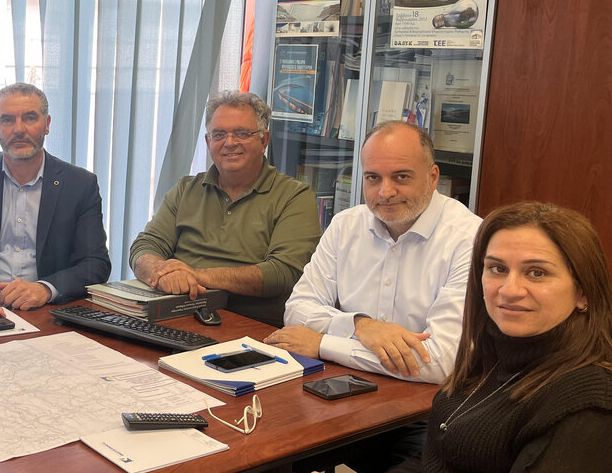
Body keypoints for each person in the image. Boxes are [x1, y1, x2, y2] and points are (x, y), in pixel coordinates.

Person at [265, 121, 481, 473]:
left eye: (401, 177)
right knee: (264, 448)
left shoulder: (469, 240)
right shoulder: (345, 225)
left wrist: (324, 343)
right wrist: (360, 326)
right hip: (345, 395)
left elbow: (440, 362)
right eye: (373, 178)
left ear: (432, 177)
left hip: (429, 413)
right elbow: (298, 310)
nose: (385, 192)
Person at [391, 202, 612, 472]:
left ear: (583, 292)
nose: (510, 290)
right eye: (498, 268)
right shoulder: (491, 353)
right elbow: (434, 459)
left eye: (537, 273)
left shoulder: (585, 405)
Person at [129, 91, 319, 326]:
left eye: (242, 133)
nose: (229, 143)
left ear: (264, 140)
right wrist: (160, 272)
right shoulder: (186, 189)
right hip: (175, 315)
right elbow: (145, 246)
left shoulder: (294, 197)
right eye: (219, 134)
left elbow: (282, 274)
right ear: (209, 142)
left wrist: (196, 275)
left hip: (248, 326)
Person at [0, 83, 112, 326]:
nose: (19, 129)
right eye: (8, 120)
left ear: (47, 124)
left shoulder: (79, 184)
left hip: (46, 314)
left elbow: (95, 263)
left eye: (29, 118)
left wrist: (45, 288)